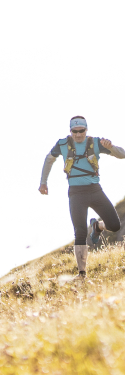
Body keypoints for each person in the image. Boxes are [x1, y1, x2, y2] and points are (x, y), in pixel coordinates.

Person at [39, 115, 125, 278]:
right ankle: (82, 273)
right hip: (76, 193)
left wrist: (111, 147)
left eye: (81, 131)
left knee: (114, 225)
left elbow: (122, 154)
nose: (78, 134)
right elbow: (49, 159)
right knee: (79, 232)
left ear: (86, 130)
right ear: (70, 131)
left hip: (95, 190)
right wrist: (43, 182)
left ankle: (97, 226)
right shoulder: (62, 144)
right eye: (75, 131)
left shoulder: (96, 143)